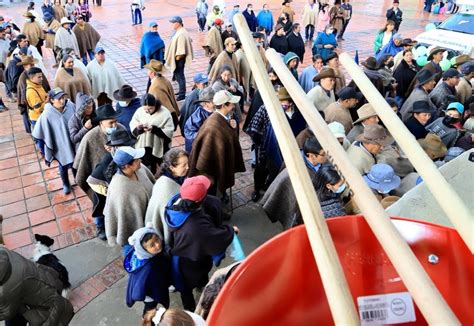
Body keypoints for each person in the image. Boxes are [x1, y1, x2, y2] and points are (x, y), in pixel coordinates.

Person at [165, 175, 236, 311]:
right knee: (188, 290)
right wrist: (231, 231)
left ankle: (198, 289)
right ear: (200, 201)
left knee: (186, 286)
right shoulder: (195, 225)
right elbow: (214, 239)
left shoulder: (173, 205)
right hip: (190, 262)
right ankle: (190, 311)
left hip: (179, 257)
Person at [74, 103, 123, 237]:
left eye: (116, 122)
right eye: (111, 123)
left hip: (118, 176)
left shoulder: (121, 129)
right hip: (98, 179)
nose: (114, 125)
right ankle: (100, 226)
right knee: (99, 202)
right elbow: (81, 162)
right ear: (101, 123)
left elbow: (129, 147)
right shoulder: (90, 137)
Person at [247, 87, 306, 199]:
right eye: (281, 100)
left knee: (277, 170)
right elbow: (254, 127)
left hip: (288, 149)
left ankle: (270, 188)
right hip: (266, 146)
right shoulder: (266, 109)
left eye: (285, 101)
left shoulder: (297, 113)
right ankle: (257, 189)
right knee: (261, 168)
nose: (283, 103)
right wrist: (261, 141)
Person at [188, 90, 245, 196]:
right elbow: (209, 152)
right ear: (224, 105)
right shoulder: (213, 125)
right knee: (212, 192)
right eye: (231, 103)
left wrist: (233, 128)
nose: (233, 105)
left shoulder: (222, 118)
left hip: (216, 168)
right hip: (211, 171)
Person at [262, 137, 326, 227]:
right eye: (323, 154)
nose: (326, 156)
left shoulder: (320, 165)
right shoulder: (296, 171)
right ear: (311, 156)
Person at [0, 246, 74, 326]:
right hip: (48, 280)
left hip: (44, 309)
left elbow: (7, 313)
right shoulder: (3, 252)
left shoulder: (5, 290)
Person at [86, 129, 135, 241]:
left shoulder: (124, 156)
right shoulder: (108, 159)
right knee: (100, 208)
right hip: (101, 187)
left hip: (112, 187)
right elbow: (92, 181)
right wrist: (108, 192)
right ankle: (99, 227)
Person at [105, 146, 155, 252]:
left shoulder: (140, 169)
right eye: (137, 160)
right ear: (127, 166)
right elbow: (122, 220)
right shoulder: (119, 190)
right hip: (132, 238)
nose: (140, 161)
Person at [32, 87, 76, 194]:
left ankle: (78, 178)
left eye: (63, 97)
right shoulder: (47, 114)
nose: (62, 101)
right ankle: (65, 183)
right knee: (63, 165)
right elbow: (38, 133)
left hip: (73, 141)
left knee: (77, 162)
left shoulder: (71, 106)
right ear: (51, 100)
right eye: (59, 99)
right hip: (59, 145)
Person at [124, 224, 172, 319]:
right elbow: (153, 287)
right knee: (150, 308)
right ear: (144, 250)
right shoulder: (150, 268)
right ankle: (146, 320)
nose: (158, 244)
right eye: (152, 245)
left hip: (149, 291)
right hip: (150, 295)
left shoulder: (140, 255)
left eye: (157, 239)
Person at [145, 148, 189, 245]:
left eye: (188, 164)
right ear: (172, 167)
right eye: (184, 165)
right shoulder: (166, 187)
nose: (188, 167)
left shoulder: (177, 177)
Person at [130, 94, 174, 174]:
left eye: (150, 108)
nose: (147, 111)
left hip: (160, 146)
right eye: (145, 109)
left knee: (164, 166)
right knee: (148, 167)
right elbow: (133, 125)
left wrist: (154, 129)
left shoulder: (164, 113)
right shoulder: (139, 111)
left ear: (155, 105)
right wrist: (139, 129)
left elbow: (169, 132)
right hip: (144, 146)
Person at [165, 16, 194, 101]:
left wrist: (176, 59)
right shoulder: (180, 31)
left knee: (180, 76)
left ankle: (182, 94)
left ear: (178, 23)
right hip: (178, 58)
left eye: (173, 23)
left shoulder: (181, 33)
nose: (172, 25)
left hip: (179, 59)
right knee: (178, 75)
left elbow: (181, 50)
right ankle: (181, 91)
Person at [145, 59, 180, 128]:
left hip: (165, 119)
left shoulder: (154, 87)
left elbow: (153, 107)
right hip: (172, 114)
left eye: (148, 70)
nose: (147, 71)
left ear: (153, 73)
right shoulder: (164, 80)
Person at [184, 87, 215, 152]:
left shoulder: (215, 111)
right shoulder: (197, 116)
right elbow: (190, 134)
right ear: (206, 103)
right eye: (213, 100)